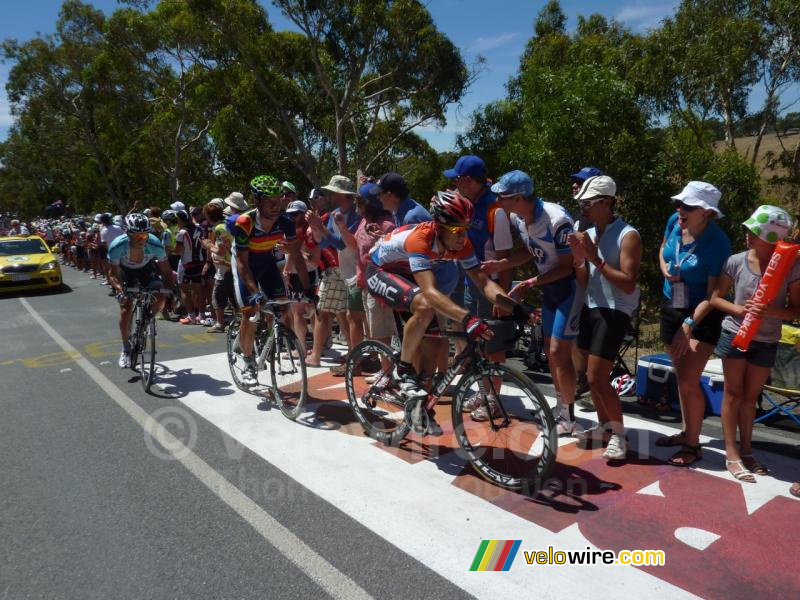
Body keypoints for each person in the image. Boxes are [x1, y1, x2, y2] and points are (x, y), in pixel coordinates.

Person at [367, 190, 531, 432]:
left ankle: (419, 408)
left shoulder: (460, 243)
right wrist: (469, 319)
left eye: (466, 229)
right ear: (439, 225)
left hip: (406, 275)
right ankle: (403, 370)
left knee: (433, 348)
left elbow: (484, 283)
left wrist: (517, 309)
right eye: (456, 230)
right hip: (380, 270)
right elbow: (431, 293)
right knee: (425, 305)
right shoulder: (420, 238)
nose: (462, 236)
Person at [482, 170, 582, 435]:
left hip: (568, 289)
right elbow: (530, 249)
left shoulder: (557, 219)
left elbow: (566, 267)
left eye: (502, 196)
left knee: (561, 353)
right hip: (548, 289)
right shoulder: (517, 217)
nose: (498, 201)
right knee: (550, 352)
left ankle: (569, 417)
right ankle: (561, 407)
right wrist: (502, 264)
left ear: (518, 198)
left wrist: (530, 283)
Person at [710, 205, 800, 483]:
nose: (747, 234)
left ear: (773, 238)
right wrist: (737, 310)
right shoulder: (736, 261)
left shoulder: (791, 265)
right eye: (749, 229)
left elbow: (795, 310)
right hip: (735, 334)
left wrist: (769, 311)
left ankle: (748, 451)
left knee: (750, 399)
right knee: (733, 395)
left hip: (767, 340)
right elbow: (716, 298)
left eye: (755, 231)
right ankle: (732, 452)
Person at [655, 181, 731, 466]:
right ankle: (687, 431)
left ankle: (692, 445)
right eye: (680, 204)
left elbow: (713, 295)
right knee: (681, 374)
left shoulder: (718, 244)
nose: (680, 210)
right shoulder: (675, 220)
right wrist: (666, 270)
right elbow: (663, 248)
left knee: (688, 379)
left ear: (707, 212)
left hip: (702, 312)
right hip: (672, 301)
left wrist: (688, 324)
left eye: (688, 206)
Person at [569, 175, 642, 462]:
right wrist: (578, 258)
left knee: (597, 377)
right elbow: (586, 277)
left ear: (607, 202)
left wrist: (593, 255)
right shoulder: (591, 232)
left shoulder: (628, 235)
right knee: (590, 377)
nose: (583, 208)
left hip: (615, 309)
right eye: (581, 203)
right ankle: (605, 427)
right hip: (592, 305)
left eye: (588, 203)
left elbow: (627, 283)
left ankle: (619, 435)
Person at [232, 175, 312, 387]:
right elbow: (242, 263)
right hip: (245, 264)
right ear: (257, 200)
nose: (276, 205)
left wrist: (308, 288)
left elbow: (296, 257)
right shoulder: (244, 223)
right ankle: (248, 362)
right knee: (250, 313)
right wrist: (253, 290)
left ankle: (271, 341)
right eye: (270, 200)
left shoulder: (285, 222)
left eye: (279, 199)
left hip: (266, 262)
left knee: (283, 308)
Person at [308, 175, 363, 374]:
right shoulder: (334, 214)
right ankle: (350, 357)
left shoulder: (358, 215)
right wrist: (316, 228)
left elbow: (341, 242)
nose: (329, 196)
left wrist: (320, 226)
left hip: (356, 270)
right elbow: (324, 243)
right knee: (339, 314)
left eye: (333, 192)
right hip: (341, 269)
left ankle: (354, 358)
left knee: (351, 317)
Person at [107, 213, 175, 368]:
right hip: (126, 272)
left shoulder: (155, 243)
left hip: (146, 269)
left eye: (144, 235)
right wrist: (120, 290)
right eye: (137, 236)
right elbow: (112, 274)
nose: (141, 239)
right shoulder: (117, 245)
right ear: (128, 233)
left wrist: (168, 292)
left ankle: (148, 319)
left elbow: (166, 271)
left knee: (160, 296)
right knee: (126, 309)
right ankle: (125, 348)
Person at [354, 182, 397, 384]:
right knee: (376, 332)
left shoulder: (386, 224)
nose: (357, 207)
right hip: (367, 284)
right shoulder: (364, 221)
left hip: (380, 286)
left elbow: (393, 255)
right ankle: (385, 369)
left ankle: (388, 373)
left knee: (383, 333)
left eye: (360, 203)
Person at [570, 167, 604, 403]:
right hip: (578, 285)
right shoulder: (577, 219)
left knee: (595, 342)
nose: (575, 185)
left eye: (580, 182)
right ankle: (582, 380)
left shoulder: (600, 222)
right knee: (577, 339)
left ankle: (596, 388)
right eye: (574, 182)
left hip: (599, 290)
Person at [283, 200, 321, 353]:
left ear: (304, 214)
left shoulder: (307, 231)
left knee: (302, 312)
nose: (292, 217)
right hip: (299, 273)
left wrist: (286, 270)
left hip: (303, 273)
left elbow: (302, 255)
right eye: (290, 214)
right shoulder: (296, 230)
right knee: (306, 312)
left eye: (296, 214)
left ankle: (304, 348)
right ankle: (310, 347)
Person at [201, 202, 236, 332]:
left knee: (218, 296)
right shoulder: (225, 225)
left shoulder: (220, 228)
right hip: (229, 266)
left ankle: (220, 323)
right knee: (233, 296)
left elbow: (220, 250)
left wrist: (208, 245)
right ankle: (236, 321)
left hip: (224, 268)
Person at [175, 210, 205, 324]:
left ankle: (191, 316)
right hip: (200, 262)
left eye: (178, 220)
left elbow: (178, 251)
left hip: (186, 264)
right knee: (199, 290)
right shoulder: (199, 228)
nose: (177, 222)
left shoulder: (182, 233)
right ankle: (201, 315)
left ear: (182, 220)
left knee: (184, 289)